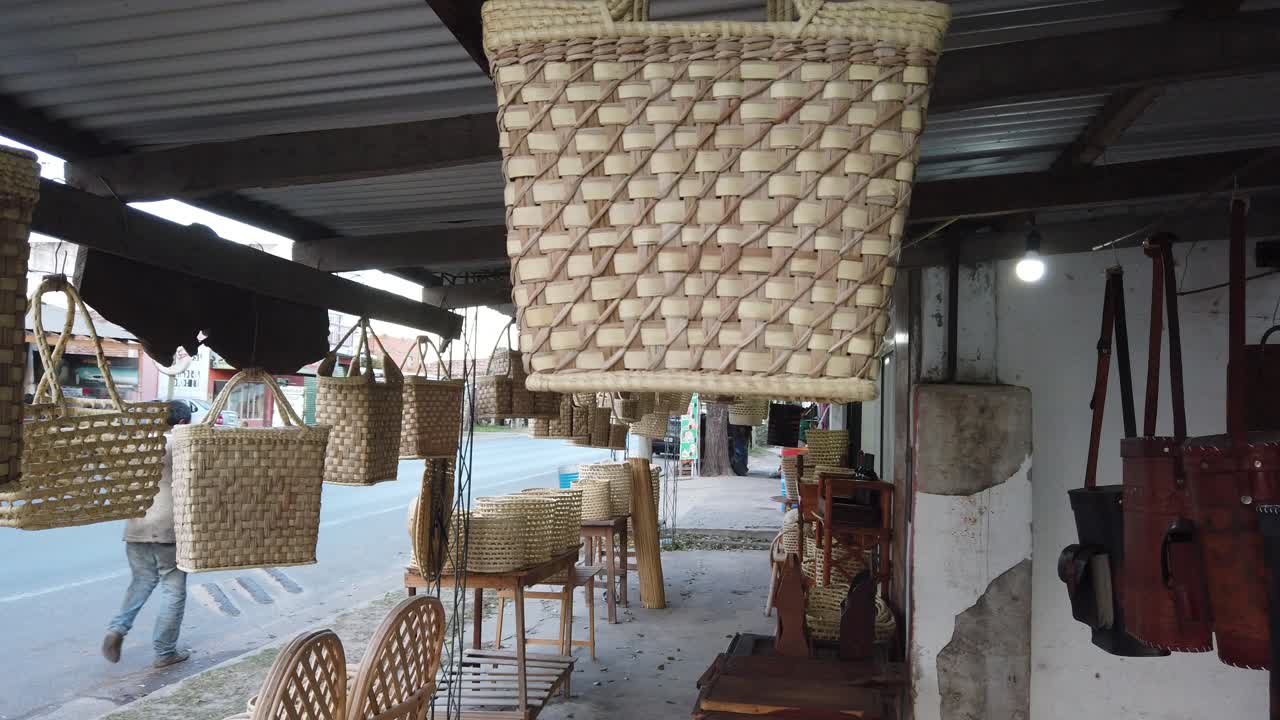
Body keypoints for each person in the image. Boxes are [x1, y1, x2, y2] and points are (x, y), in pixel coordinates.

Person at [102, 400, 192, 668]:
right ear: (183, 424)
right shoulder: (183, 446)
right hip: (170, 530)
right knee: (173, 590)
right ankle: (165, 652)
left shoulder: (138, 447)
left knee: (141, 581)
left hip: (136, 528)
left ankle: (117, 628)